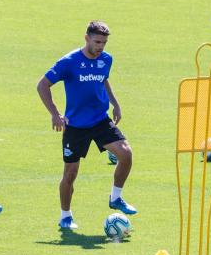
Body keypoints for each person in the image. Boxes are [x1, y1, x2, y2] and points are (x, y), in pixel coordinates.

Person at [36, 20, 136, 230]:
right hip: (75, 126)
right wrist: (55, 114)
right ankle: (65, 216)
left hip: (100, 119)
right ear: (86, 38)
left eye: (104, 43)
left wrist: (115, 104)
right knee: (70, 174)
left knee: (126, 153)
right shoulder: (69, 61)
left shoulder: (106, 59)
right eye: (97, 41)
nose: (101, 47)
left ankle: (116, 197)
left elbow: (103, 79)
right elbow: (42, 85)